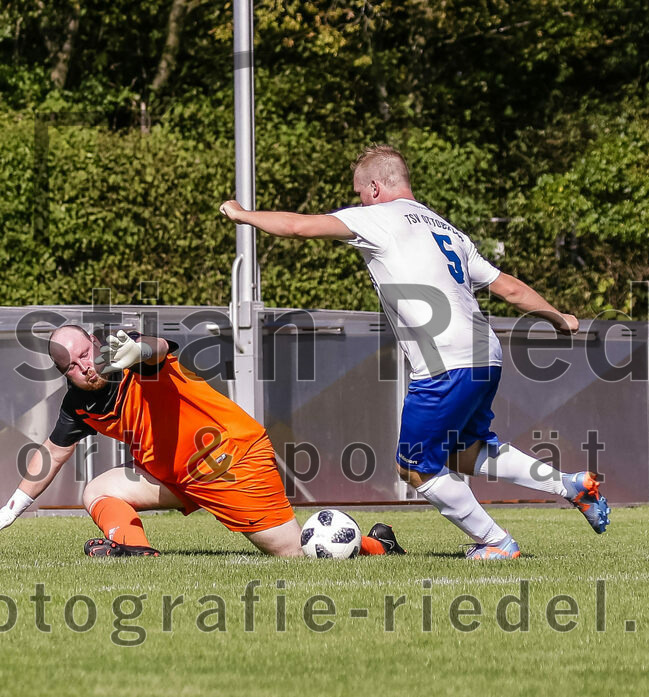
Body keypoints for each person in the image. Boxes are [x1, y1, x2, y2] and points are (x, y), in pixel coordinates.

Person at [219, 144, 609, 560]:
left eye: (358, 193)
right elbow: (510, 288)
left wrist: (244, 215)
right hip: (486, 355)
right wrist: (556, 316)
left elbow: (298, 227)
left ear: (373, 188)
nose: (357, 202)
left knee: (415, 468)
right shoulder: (450, 231)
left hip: (445, 362)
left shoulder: (377, 218)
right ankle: (572, 485)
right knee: (465, 452)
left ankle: (496, 543)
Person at [0, 326, 404, 558]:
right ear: (66, 375)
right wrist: (13, 505)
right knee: (97, 490)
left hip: (228, 459)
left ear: (96, 343)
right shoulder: (79, 404)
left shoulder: (129, 355)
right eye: (74, 365)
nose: (86, 365)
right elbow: (54, 453)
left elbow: (155, 347)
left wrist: (140, 351)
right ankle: (133, 548)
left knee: (295, 554)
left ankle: (377, 544)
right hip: (177, 476)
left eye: (85, 353)